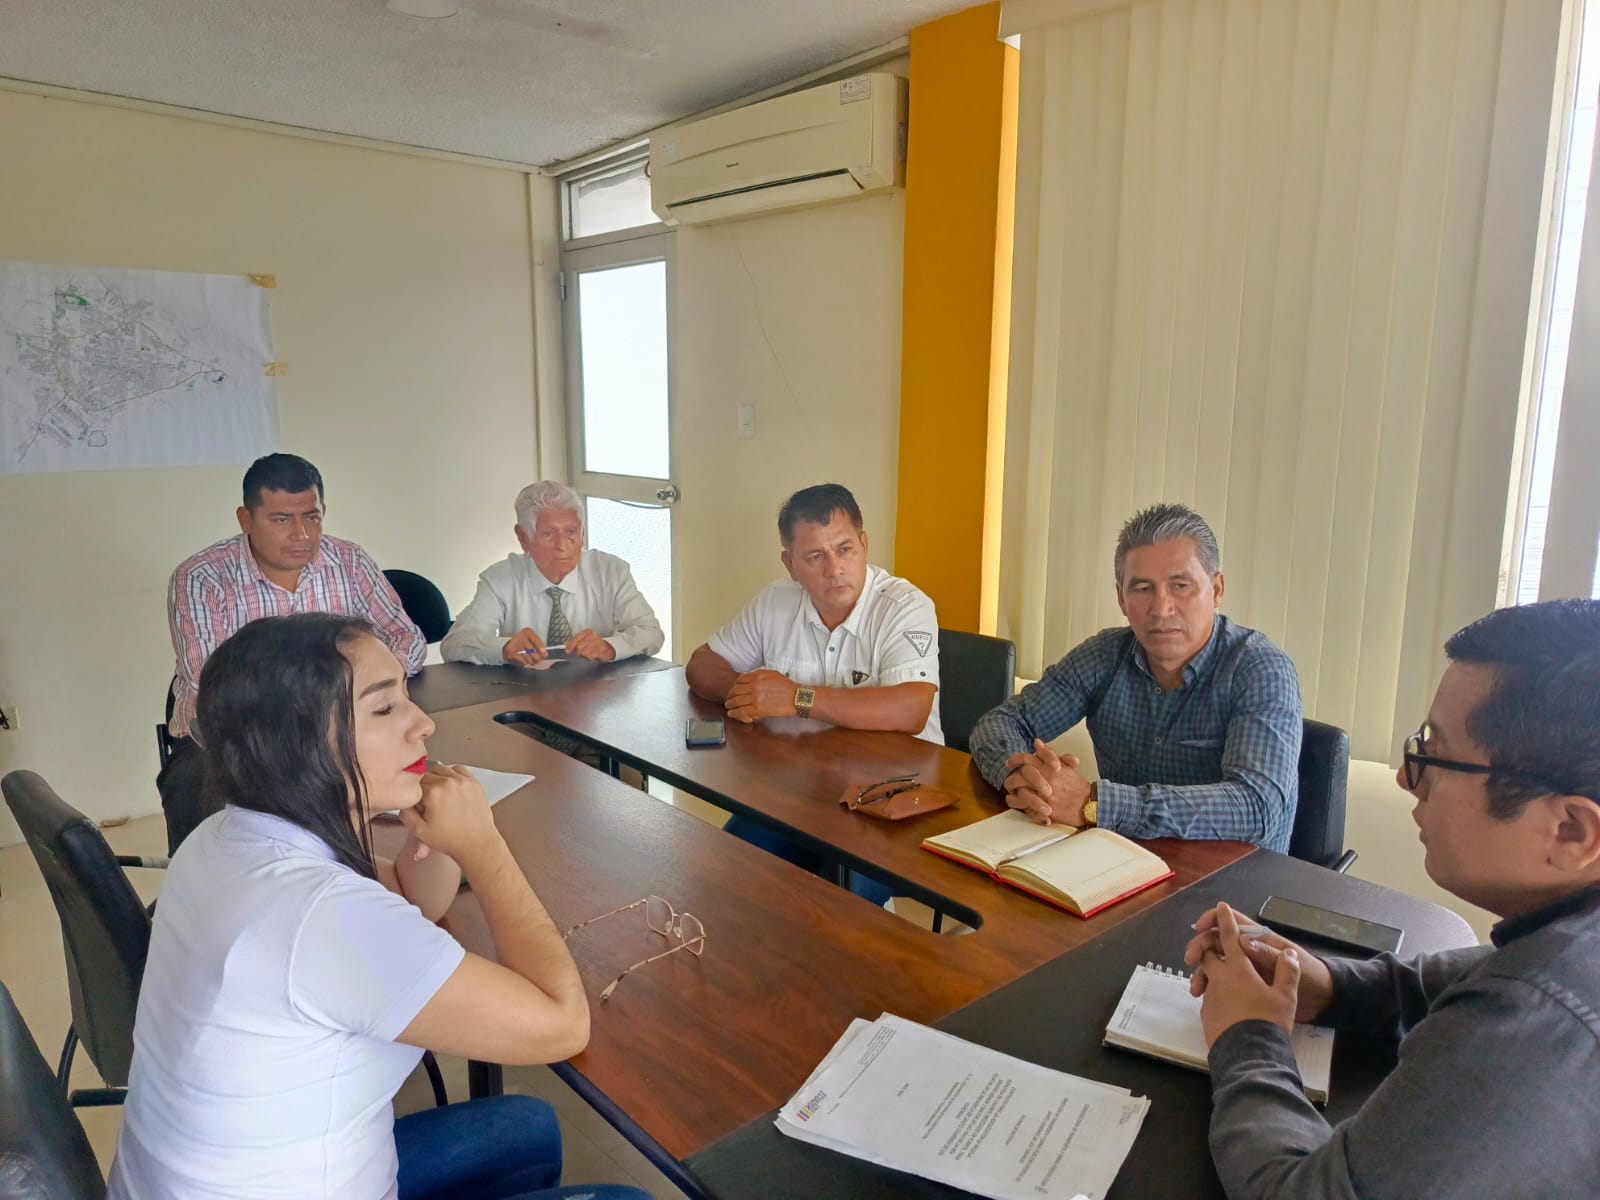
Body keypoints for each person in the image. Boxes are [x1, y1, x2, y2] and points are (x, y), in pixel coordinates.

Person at [108, 613, 649, 1200]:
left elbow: (414, 898)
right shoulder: (322, 915)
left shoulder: (226, 833)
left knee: (526, 1127)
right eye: (385, 708)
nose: (424, 723)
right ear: (296, 744)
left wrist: (431, 828)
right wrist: (484, 846)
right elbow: (561, 1026)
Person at [1184, 598, 1600, 1199]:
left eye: (1436, 754)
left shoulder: (1540, 1022)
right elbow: (1479, 975)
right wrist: (1326, 984)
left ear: (1572, 831)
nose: (1407, 778)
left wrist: (1248, 1035)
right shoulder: (1565, 942)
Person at [969, 502, 1301, 852]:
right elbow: (1001, 722)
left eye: (1180, 585)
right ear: (1121, 598)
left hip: (1232, 878)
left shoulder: (1261, 669)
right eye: (1143, 588)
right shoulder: (1104, 655)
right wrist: (1024, 779)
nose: (1161, 608)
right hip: (1121, 859)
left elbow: (1255, 807)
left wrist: (1094, 802)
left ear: (1216, 590)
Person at [685, 483, 940, 902]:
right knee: (724, 879)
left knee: (832, 908)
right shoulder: (775, 601)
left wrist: (795, 698)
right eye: (815, 556)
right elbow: (701, 664)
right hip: (798, 787)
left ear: (864, 544)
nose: (834, 569)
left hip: (894, 797)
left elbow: (912, 707)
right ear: (790, 563)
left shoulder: (905, 607)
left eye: (845, 549)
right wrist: (748, 692)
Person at [159, 453, 425, 853]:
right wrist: (327, 701)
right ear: (246, 519)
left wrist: (368, 682)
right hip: (234, 737)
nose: (301, 534)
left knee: (413, 771)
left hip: (340, 726)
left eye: (311, 517)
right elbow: (213, 685)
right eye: (281, 520)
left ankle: (387, 871)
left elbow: (408, 638)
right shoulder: (201, 578)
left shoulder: (349, 562)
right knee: (199, 802)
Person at [441, 481, 663, 668]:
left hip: (598, 693)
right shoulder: (500, 579)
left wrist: (611, 647)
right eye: (548, 534)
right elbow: (454, 644)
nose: (562, 546)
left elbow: (651, 633)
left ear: (582, 534)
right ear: (523, 538)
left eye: (571, 532)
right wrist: (504, 648)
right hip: (524, 694)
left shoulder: (611, 572)